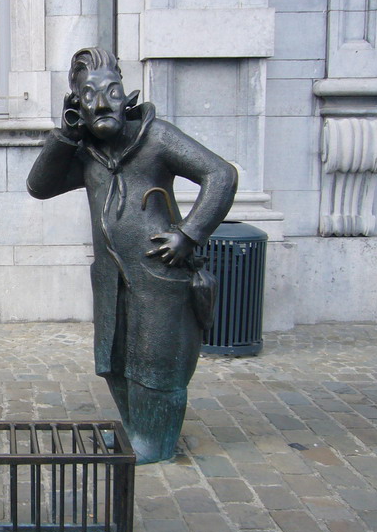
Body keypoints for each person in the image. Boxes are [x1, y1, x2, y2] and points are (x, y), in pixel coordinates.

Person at [27, 48, 237, 463]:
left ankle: (155, 444)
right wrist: (67, 135)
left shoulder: (157, 138)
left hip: (160, 273)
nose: (102, 102)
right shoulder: (88, 151)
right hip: (111, 277)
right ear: (76, 105)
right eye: (88, 96)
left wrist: (189, 235)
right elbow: (40, 185)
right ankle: (137, 430)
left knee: (158, 364)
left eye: (111, 91)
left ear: (128, 97)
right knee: (115, 359)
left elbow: (221, 175)